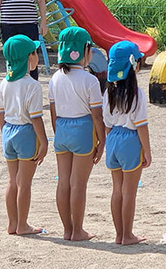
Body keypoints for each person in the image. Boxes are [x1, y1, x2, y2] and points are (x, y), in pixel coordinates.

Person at [48, 27, 106, 241]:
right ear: (86, 50)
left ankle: (67, 229)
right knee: (78, 183)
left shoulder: (55, 78)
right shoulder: (89, 80)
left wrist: (58, 133)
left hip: (62, 129)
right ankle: (78, 230)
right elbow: (97, 116)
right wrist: (102, 141)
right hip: (83, 130)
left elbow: (53, 112)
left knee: (63, 181)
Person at [0, 35, 48, 235]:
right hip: (26, 132)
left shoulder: (4, 83)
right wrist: (43, 142)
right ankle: (23, 225)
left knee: (12, 180)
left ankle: (12, 223)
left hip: (8, 131)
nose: (37, 57)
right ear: (29, 57)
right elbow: (36, 118)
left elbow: (0, 114)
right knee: (24, 183)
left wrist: (5, 134)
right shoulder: (32, 86)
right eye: (34, 53)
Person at [103, 41, 151, 245]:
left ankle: (118, 234)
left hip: (113, 138)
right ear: (134, 66)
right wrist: (147, 152)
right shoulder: (137, 94)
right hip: (131, 140)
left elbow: (106, 123)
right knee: (129, 192)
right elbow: (141, 126)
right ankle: (128, 235)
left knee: (117, 189)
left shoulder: (108, 93)